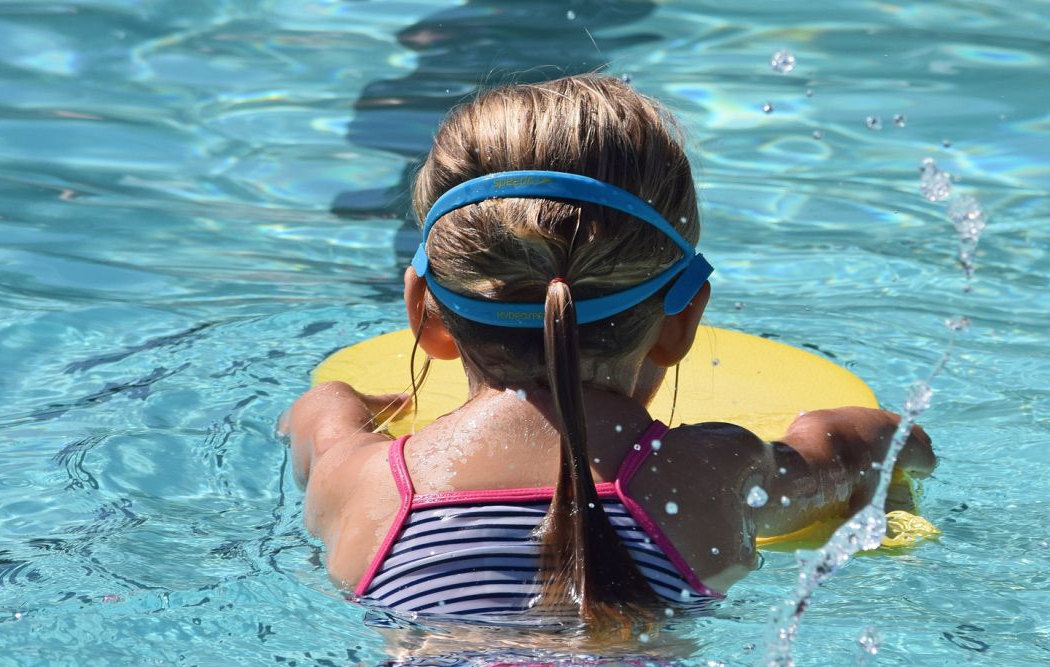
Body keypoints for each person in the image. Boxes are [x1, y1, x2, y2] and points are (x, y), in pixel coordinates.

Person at [287, 75, 936, 638]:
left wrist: (348, 405)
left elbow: (317, 415)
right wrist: (893, 444)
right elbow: (858, 452)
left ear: (423, 316)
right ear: (681, 321)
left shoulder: (363, 485)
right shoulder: (704, 473)